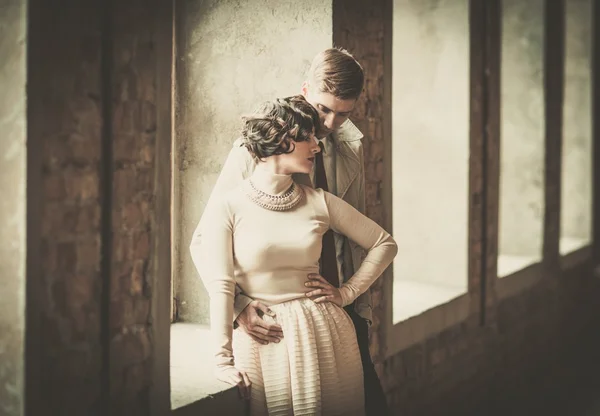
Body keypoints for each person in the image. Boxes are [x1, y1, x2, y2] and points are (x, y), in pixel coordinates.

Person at [191, 47, 391, 415]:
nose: (329, 124)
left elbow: (361, 238)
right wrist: (240, 307)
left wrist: (350, 297)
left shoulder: (350, 144)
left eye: (342, 113)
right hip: (274, 318)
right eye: (323, 109)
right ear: (304, 90)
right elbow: (205, 239)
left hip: (338, 309)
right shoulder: (256, 150)